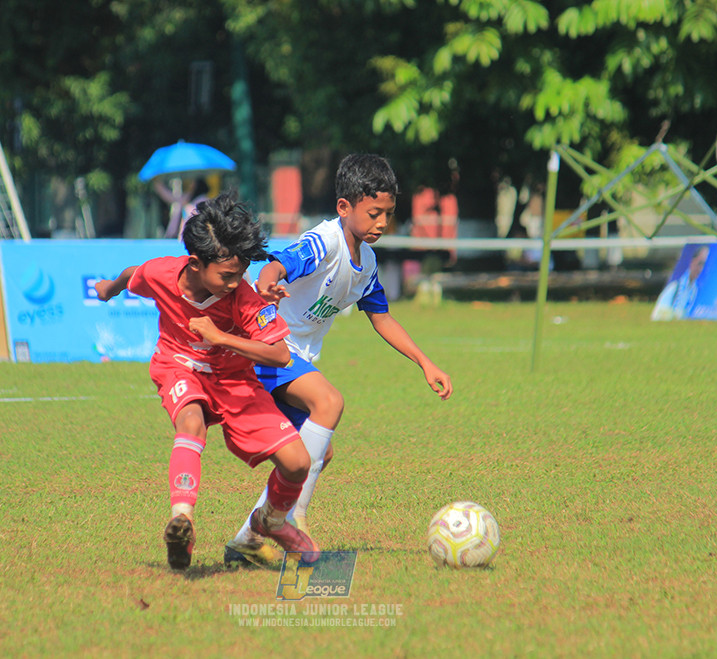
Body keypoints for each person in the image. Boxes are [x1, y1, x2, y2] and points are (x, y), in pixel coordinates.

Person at [224, 153, 453, 567]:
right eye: (374, 213)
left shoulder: (367, 262)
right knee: (328, 403)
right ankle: (292, 519)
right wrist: (269, 282)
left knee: (318, 454)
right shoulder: (324, 241)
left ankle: (245, 539)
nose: (383, 222)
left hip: (296, 356)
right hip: (271, 348)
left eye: (388, 213)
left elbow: (381, 318)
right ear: (344, 208)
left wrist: (425, 362)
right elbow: (279, 264)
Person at [94, 192, 319, 571]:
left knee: (297, 463)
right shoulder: (163, 273)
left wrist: (222, 338)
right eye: (228, 275)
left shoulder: (245, 299)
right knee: (191, 421)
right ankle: (183, 519)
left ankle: (271, 520)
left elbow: (280, 354)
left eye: (242, 272)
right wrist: (109, 288)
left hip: (235, 380)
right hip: (178, 366)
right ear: (195, 263)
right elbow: (135, 274)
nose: (237, 282)